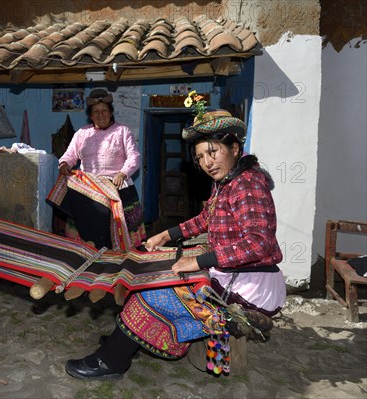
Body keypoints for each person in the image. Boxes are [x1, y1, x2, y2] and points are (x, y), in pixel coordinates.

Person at [65, 109, 286, 380]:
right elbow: (206, 218)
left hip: (250, 286)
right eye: (201, 157)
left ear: (235, 148)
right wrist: (167, 235)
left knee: (152, 295)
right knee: (150, 277)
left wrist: (197, 261)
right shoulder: (227, 182)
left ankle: (111, 361)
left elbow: (258, 244)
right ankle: (125, 341)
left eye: (213, 152)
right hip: (234, 274)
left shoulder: (247, 184)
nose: (207, 162)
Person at [54, 88, 146, 250]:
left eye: (104, 111)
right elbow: (70, 155)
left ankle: (121, 263)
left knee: (119, 232)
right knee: (88, 231)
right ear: (90, 115)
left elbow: (134, 157)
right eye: (95, 112)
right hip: (89, 190)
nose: (100, 115)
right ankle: (88, 261)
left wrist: (122, 173)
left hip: (118, 187)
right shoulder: (82, 133)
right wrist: (64, 164)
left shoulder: (123, 131)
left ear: (111, 112)